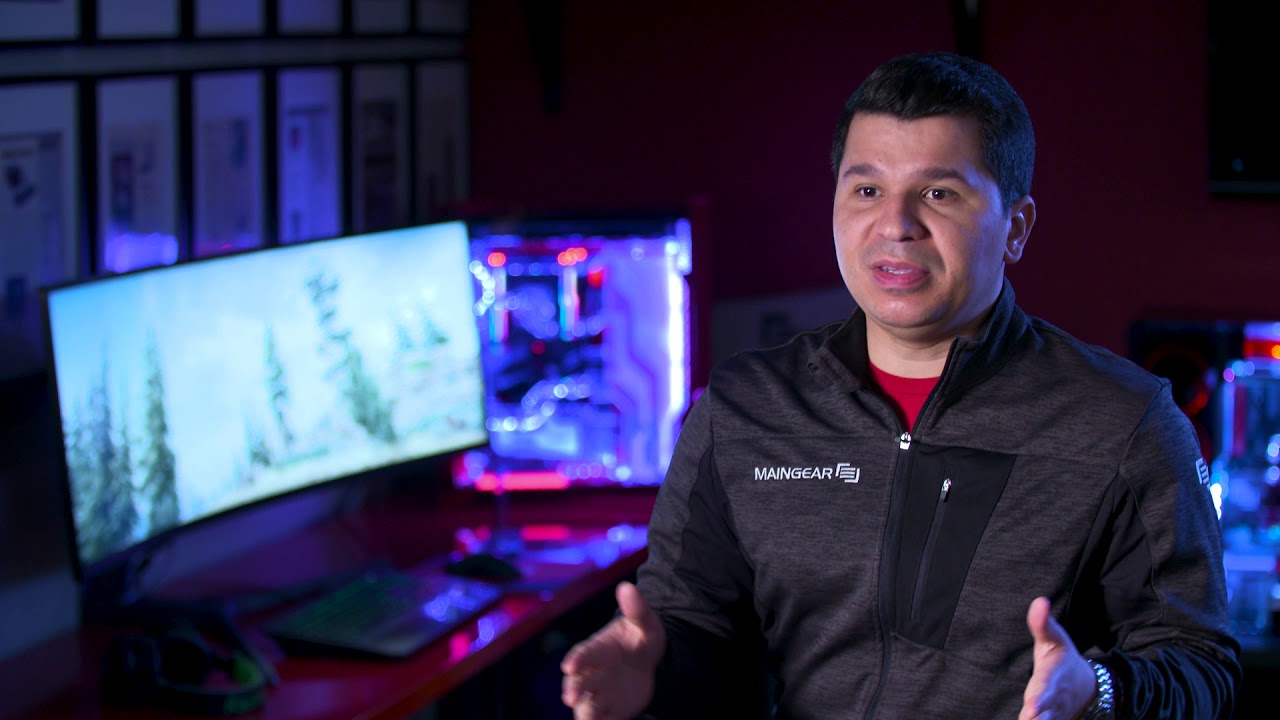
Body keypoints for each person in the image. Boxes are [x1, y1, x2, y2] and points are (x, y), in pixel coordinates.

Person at [560, 52, 1241, 719]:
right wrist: (652, 679)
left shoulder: (1122, 423)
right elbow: (695, 634)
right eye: (867, 190)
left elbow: (1200, 668)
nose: (895, 225)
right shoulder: (745, 408)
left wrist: (1098, 691)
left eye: (939, 193)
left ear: (1017, 228)